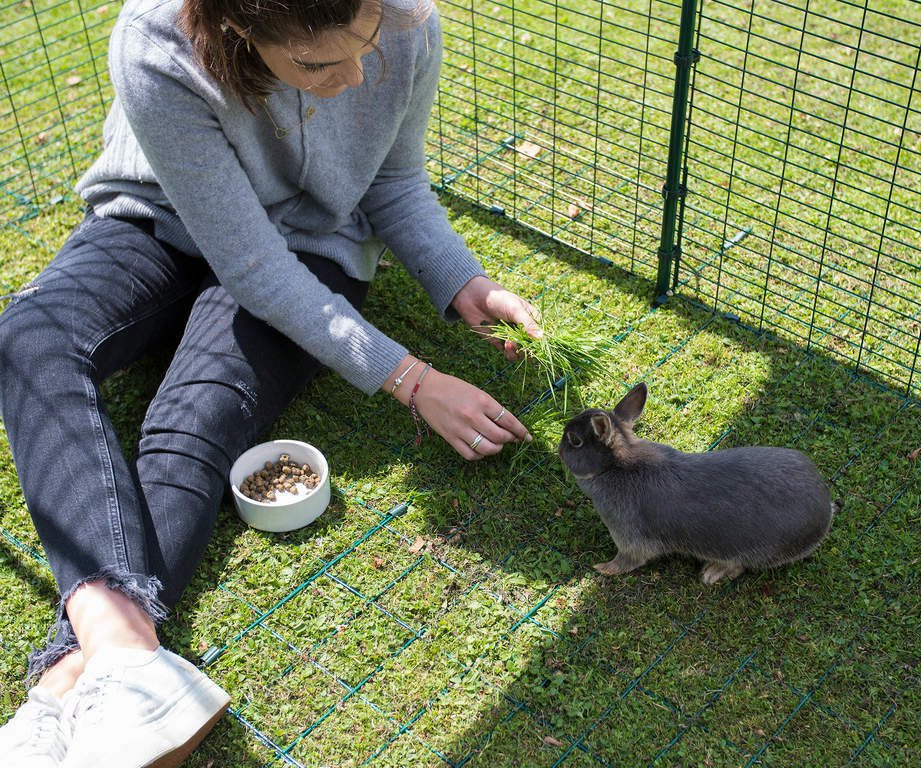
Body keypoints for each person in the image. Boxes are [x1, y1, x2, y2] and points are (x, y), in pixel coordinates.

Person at [0, 0, 540, 765]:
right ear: (237, 28)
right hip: (156, 218)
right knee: (29, 339)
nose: (354, 78)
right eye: (317, 63)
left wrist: (463, 281)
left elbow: (394, 181)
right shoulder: (156, 40)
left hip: (311, 242)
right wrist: (414, 380)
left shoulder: (409, 21)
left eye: (365, 45)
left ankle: (65, 686)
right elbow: (249, 265)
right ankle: (124, 660)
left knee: (197, 416)